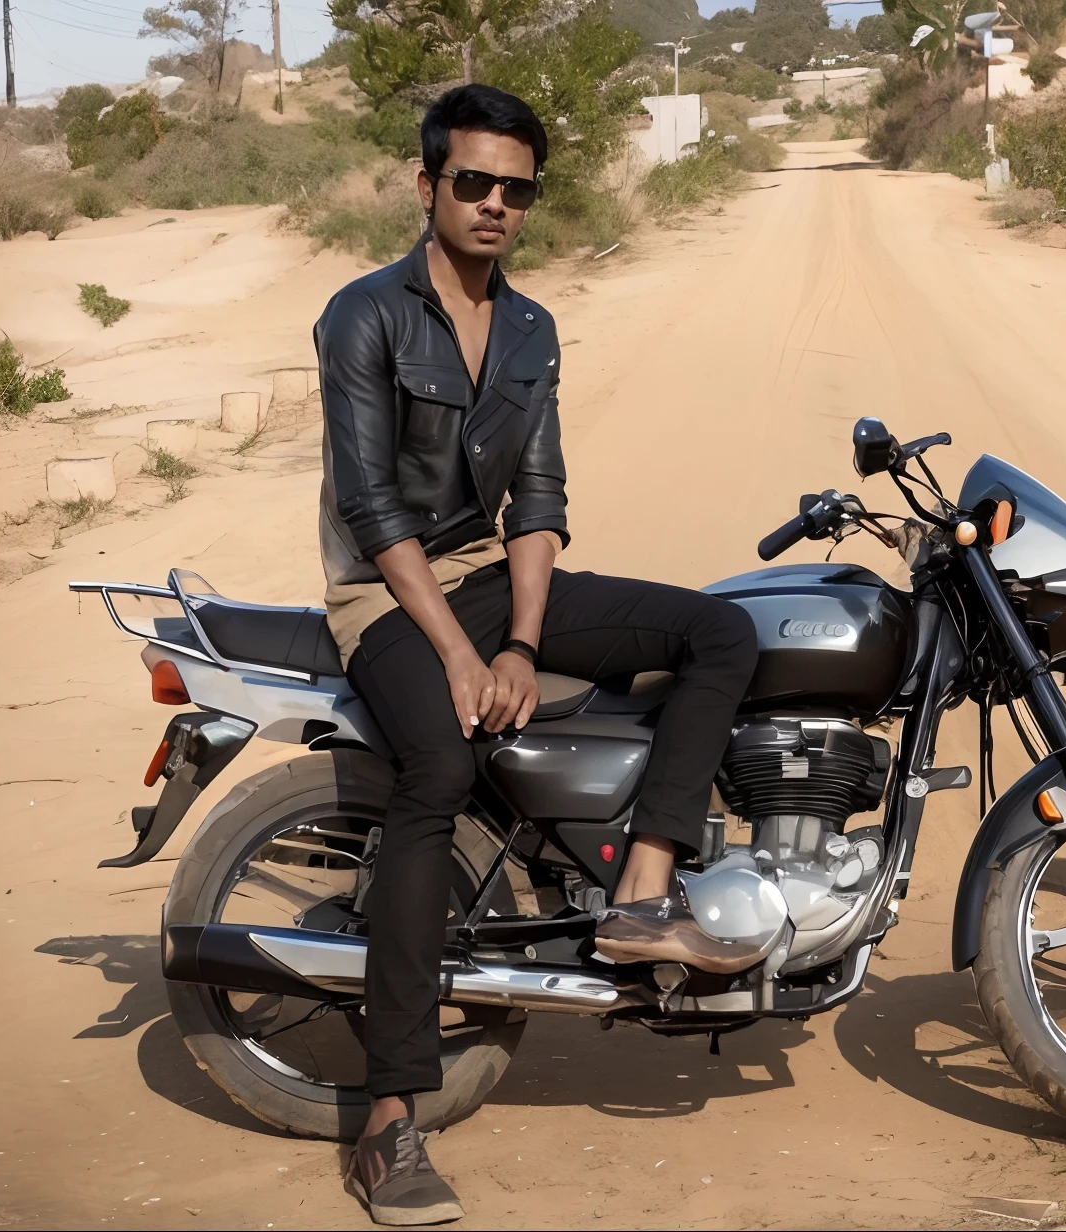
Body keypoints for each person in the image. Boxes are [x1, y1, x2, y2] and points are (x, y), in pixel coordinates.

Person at [315, 84, 759, 1225]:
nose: (496, 204)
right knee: (440, 774)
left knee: (722, 627)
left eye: (518, 188)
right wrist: (462, 657)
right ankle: (389, 1120)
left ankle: (644, 892)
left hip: (490, 582)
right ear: (427, 185)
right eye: (474, 181)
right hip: (385, 592)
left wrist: (517, 636)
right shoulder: (364, 314)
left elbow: (540, 497)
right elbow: (373, 510)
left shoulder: (530, 327)